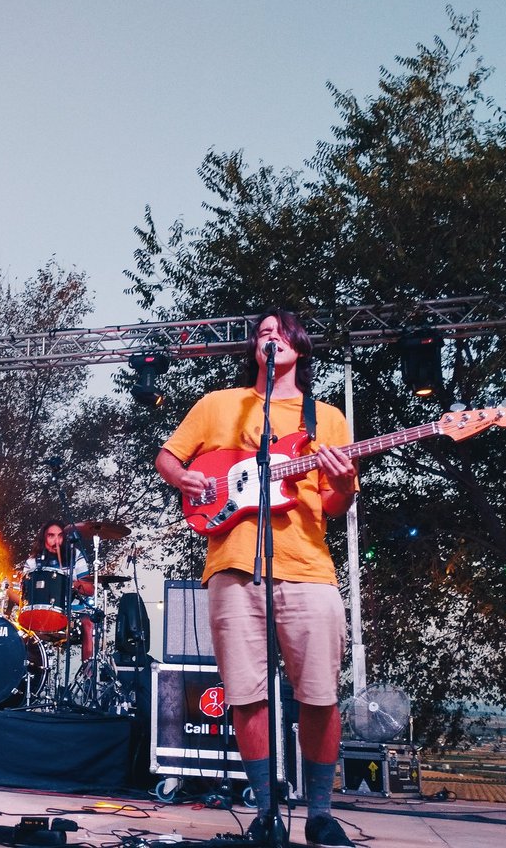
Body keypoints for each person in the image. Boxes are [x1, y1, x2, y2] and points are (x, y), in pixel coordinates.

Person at [155, 309, 359, 848]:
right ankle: (266, 813)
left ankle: (319, 814)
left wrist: (345, 483)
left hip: (308, 566)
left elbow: (336, 506)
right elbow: (169, 458)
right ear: (255, 348)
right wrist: (189, 479)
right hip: (232, 563)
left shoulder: (327, 418)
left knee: (318, 694)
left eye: (282, 331)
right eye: (263, 332)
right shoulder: (220, 404)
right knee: (246, 694)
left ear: (300, 346)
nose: (271, 337)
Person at [21, 520, 96, 662]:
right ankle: (32, 675)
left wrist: (68, 583)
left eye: (60, 536)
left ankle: (88, 674)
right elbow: (23, 592)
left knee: (88, 623)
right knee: (22, 630)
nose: (56, 540)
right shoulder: (32, 562)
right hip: (42, 611)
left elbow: (90, 589)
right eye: (51, 536)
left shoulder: (76, 555)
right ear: (44, 538)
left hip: (74, 611)